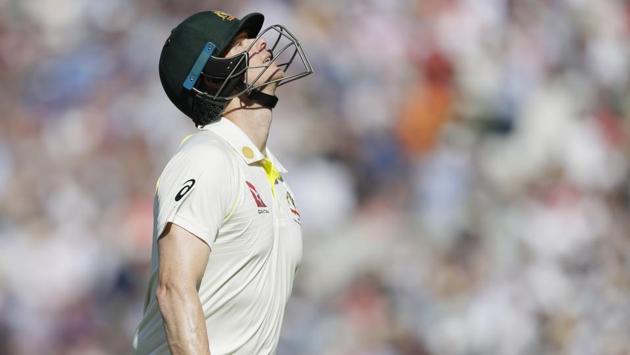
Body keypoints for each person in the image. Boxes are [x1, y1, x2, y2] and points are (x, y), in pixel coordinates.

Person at [132, 10, 313, 355]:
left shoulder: (270, 175)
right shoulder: (208, 158)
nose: (259, 45)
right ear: (211, 77)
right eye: (238, 45)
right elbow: (174, 289)